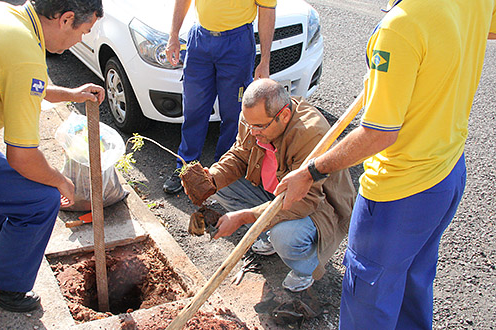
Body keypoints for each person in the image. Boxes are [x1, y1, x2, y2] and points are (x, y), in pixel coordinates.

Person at [274, 0, 496, 328]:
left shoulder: (401, 26)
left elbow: (377, 136)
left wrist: (311, 172)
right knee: (411, 281)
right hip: (447, 170)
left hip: (400, 191)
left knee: (369, 299)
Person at [0, 0, 105, 312]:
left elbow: (26, 85)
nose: (81, 41)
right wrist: (61, 182)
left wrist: (72, 94)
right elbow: (21, 157)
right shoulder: (24, 52)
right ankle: (5, 287)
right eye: (84, 31)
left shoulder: (6, 16)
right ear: (65, 19)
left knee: (6, 193)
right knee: (40, 200)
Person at [189, 79, 355, 291]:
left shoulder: (310, 133)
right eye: (249, 125)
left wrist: (244, 217)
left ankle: (306, 268)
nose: (253, 131)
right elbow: (240, 155)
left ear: (284, 115)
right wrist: (211, 179)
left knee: (285, 236)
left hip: (317, 205)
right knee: (221, 186)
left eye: (259, 126)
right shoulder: (253, 118)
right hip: (277, 192)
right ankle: (269, 231)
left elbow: (303, 202)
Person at [162, 0, 276, 194]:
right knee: (194, 110)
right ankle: (186, 168)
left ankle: (222, 174)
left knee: (234, 115)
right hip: (200, 41)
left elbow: (267, 10)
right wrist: (173, 35)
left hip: (237, 43)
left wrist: (265, 60)